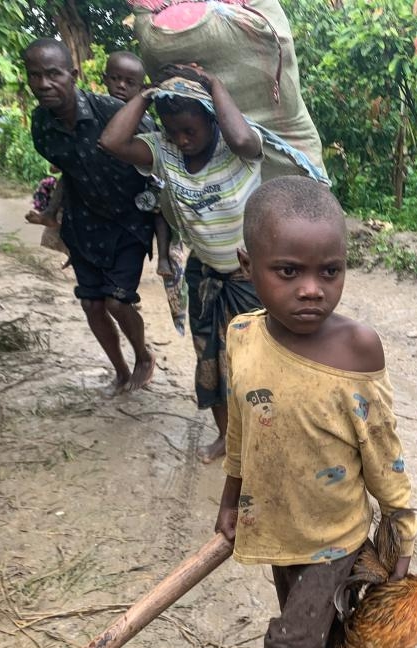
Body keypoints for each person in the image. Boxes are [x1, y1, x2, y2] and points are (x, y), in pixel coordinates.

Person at [213, 176, 417, 648]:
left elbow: (382, 449)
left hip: (334, 537)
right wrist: (231, 497)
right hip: (277, 530)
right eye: (288, 272)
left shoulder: (356, 349)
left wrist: (401, 524)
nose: (312, 290)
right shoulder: (242, 335)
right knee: (323, 632)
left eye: (330, 272)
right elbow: (241, 430)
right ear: (248, 265)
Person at [100, 63, 265, 463]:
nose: (182, 139)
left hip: (253, 279)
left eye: (190, 130)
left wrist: (212, 82)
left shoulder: (237, 148)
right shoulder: (164, 151)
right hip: (205, 275)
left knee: (257, 367)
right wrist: (148, 93)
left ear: (212, 119)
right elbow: (111, 141)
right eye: (173, 131)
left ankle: (261, 444)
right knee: (210, 362)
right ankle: (227, 437)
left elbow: (243, 135)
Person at [23, 38, 157, 395]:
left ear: (73, 74)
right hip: (83, 225)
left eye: (53, 74)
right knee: (92, 304)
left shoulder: (110, 111)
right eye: (34, 75)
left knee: (117, 300)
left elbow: (160, 158)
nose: (43, 84)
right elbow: (67, 170)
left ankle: (143, 356)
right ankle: (120, 371)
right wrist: (52, 214)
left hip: (129, 222)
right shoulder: (42, 125)